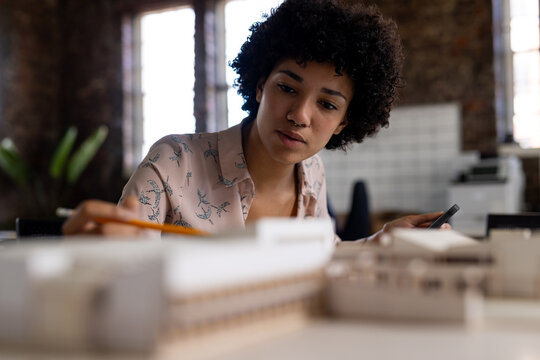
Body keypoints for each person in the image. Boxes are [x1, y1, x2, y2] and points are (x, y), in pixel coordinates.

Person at [62, 0, 449, 239]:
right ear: (261, 86)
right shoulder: (172, 162)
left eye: (328, 105)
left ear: (345, 122)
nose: (299, 115)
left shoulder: (311, 170)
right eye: (287, 88)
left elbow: (321, 260)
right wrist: (103, 253)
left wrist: (382, 240)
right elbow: (124, 258)